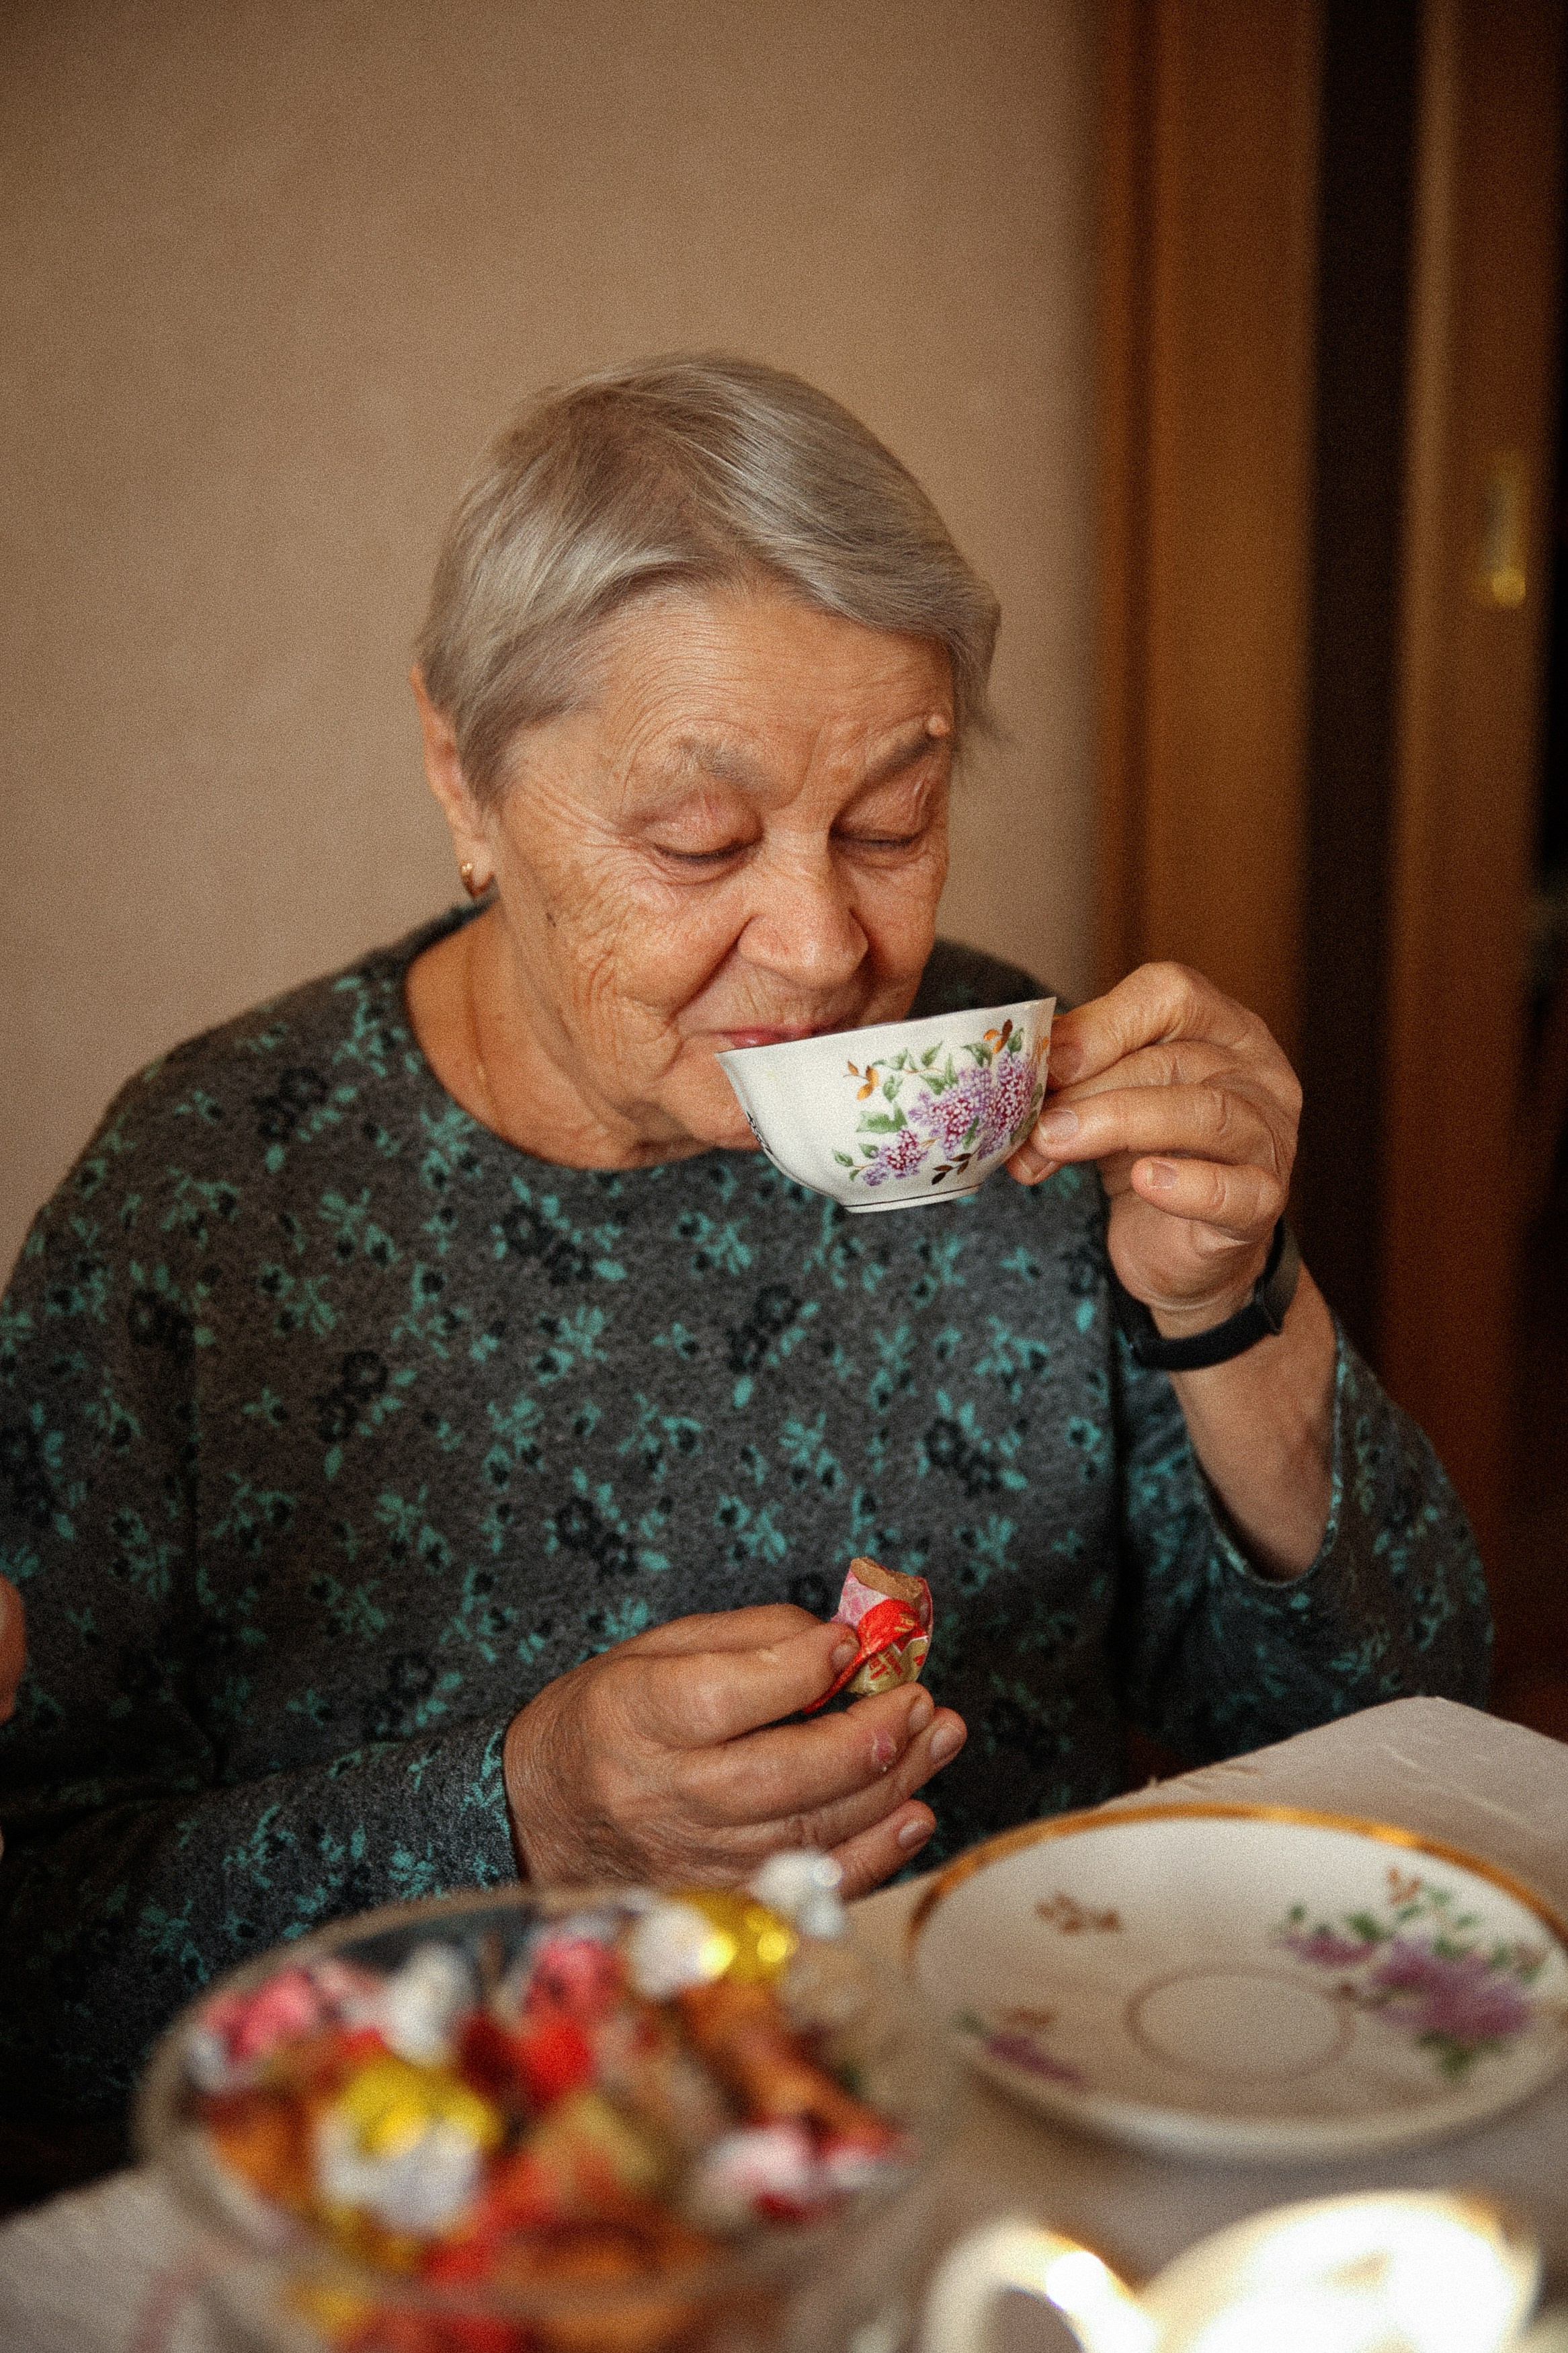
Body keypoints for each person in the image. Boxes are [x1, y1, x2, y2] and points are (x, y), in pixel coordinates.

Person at [0, 356, 1485, 2159]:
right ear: (463, 778)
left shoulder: (999, 1098)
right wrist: (515, 1818)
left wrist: (1229, 1304)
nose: (821, 945)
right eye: (699, 840)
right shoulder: (211, 1195)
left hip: (1009, 2142)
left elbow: (1400, 1743)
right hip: (482, 2217)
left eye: (891, 825)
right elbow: (31, 1947)